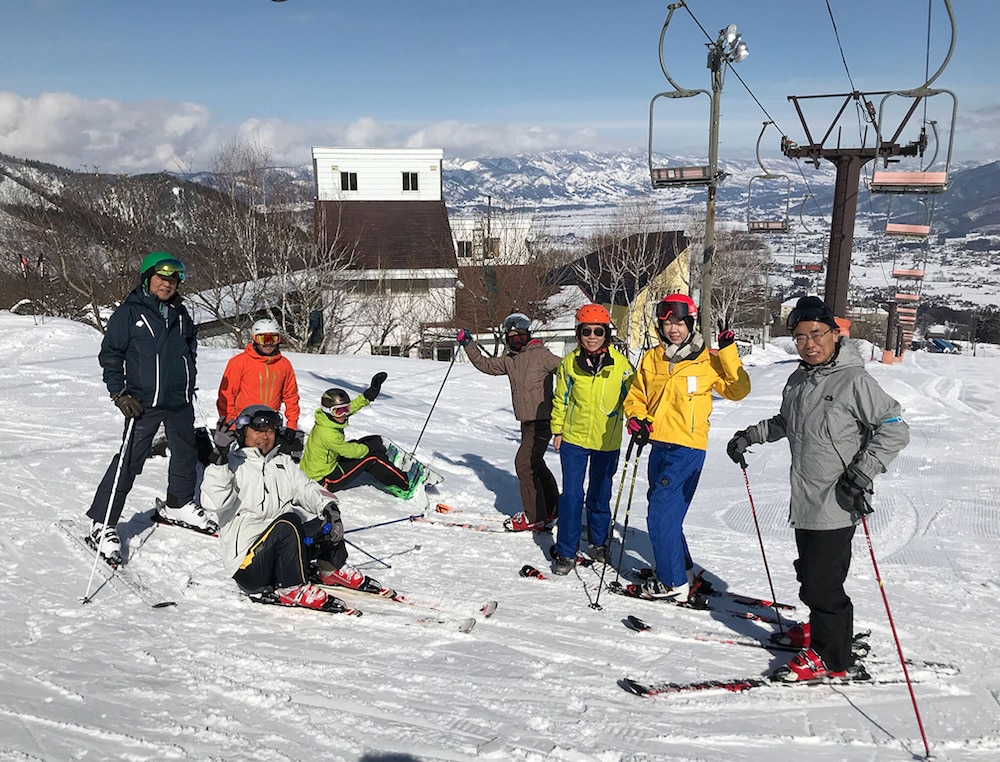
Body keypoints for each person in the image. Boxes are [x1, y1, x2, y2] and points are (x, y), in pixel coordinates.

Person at [726, 295, 909, 682]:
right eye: (801, 337)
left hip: (839, 499)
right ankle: (818, 630)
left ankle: (831, 657)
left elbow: (894, 427)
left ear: (834, 334)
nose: (809, 343)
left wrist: (861, 474)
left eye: (817, 334)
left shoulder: (854, 380)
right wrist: (749, 436)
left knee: (824, 585)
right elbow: (786, 422)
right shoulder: (798, 379)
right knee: (810, 573)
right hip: (806, 498)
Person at [87, 252, 216, 565]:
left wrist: (188, 378)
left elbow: (190, 350)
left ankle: (179, 503)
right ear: (147, 278)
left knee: (185, 454)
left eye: (172, 280)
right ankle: (102, 522)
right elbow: (111, 355)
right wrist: (119, 393)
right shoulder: (130, 314)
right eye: (161, 278)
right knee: (130, 460)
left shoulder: (182, 314)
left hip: (179, 399)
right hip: (142, 402)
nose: (167, 284)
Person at [623, 293, 751, 601]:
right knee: (667, 514)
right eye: (668, 323)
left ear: (691, 324)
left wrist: (729, 352)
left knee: (659, 516)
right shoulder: (652, 358)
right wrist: (636, 418)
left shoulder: (707, 360)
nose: (674, 329)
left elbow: (739, 390)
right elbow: (636, 395)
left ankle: (672, 584)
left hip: (687, 450)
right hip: (658, 446)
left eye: (680, 323)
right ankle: (682, 569)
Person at [201, 405, 381, 612]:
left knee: (322, 522)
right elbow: (214, 503)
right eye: (258, 430)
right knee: (289, 522)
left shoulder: (282, 462)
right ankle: (291, 587)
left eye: (270, 431)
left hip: (277, 550)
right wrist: (219, 459)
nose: (265, 436)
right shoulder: (231, 465)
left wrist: (330, 507)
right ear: (243, 433)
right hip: (248, 566)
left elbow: (306, 488)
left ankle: (331, 569)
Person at [549, 304, 635, 574]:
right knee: (572, 496)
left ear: (606, 334)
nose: (592, 336)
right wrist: (558, 430)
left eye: (599, 331)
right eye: (587, 331)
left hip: (606, 443)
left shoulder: (621, 366)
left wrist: (637, 421)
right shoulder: (569, 364)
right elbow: (561, 399)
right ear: (578, 333)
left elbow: (633, 400)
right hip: (574, 440)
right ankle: (566, 551)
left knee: (600, 496)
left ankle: (598, 543)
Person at [457, 313, 561, 532]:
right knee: (535, 463)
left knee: (524, 464)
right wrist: (469, 344)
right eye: (511, 336)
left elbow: (565, 367)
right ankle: (552, 508)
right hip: (526, 422)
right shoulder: (511, 359)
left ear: (528, 335)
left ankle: (534, 517)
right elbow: (486, 365)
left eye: (520, 335)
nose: (516, 339)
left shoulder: (541, 354)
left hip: (542, 420)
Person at [299, 376, 425, 499]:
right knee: (371, 458)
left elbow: (351, 408)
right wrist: (370, 448)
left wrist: (368, 396)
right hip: (323, 480)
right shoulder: (327, 433)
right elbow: (351, 452)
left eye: (345, 409)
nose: (344, 414)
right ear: (328, 412)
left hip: (321, 469)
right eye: (338, 411)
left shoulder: (325, 420)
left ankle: (386, 465)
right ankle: (405, 484)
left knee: (363, 442)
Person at [215, 317, 303, 459]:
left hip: (270, 422)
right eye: (263, 339)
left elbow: (291, 396)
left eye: (273, 339)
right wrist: (230, 425)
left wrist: (292, 424)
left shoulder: (284, 364)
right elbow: (227, 396)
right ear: (254, 339)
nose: (268, 344)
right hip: (244, 422)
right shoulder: (239, 362)